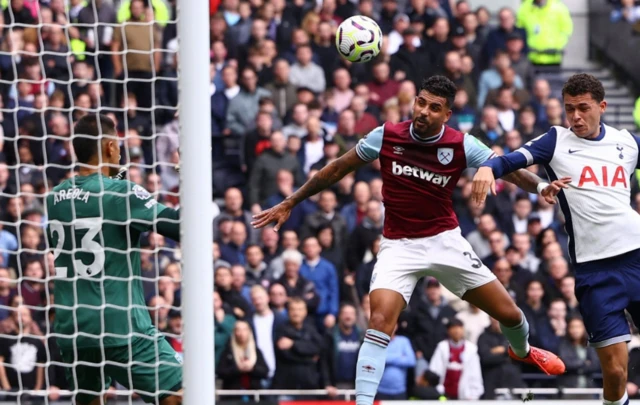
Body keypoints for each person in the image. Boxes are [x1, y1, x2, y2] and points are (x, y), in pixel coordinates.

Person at [253, 75, 566, 405]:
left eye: (434, 108)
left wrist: (540, 187)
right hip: (398, 246)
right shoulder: (386, 135)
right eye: (421, 102)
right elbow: (336, 169)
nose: (424, 111)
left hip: (445, 242)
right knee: (378, 323)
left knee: (512, 315)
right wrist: (291, 201)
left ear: (446, 115)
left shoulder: (461, 144)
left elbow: (506, 166)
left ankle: (522, 351)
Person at [472, 73, 640, 405]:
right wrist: (489, 168)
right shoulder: (556, 140)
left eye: (583, 108)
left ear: (602, 107)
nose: (575, 116)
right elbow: (510, 160)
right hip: (595, 273)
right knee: (616, 373)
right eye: (569, 109)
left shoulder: (627, 142)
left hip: (636, 258)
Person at [45, 114, 183, 405]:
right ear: (109, 147)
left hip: (74, 328)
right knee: (184, 394)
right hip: (120, 324)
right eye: (118, 146)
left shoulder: (55, 197)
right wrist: (190, 177)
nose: (120, 151)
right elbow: (182, 226)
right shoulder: (120, 193)